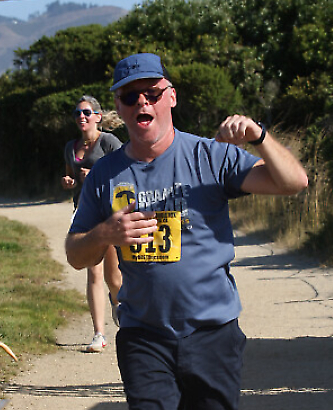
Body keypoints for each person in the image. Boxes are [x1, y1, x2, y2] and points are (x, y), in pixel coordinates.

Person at [66, 53, 308, 410]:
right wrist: (104, 234)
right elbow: (75, 254)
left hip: (213, 333)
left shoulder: (210, 156)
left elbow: (294, 182)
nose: (142, 102)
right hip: (143, 336)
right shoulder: (104, 174)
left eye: (152, 93)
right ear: (118, 106)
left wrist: (259, 136)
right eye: (130, 96)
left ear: (171, 97)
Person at [61, 95, 124, 353]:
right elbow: (69, 174)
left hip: (109, 213)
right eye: (77, 113)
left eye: (86, 112)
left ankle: (118, 304)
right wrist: (68, 182)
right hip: (85, 213)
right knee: (93, 271)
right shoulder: (71, 147)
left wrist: (97, 176)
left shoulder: (108, 142)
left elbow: (126, 171)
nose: (81, 117)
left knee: (114, 277)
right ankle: (99, 333)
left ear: (97, 116)